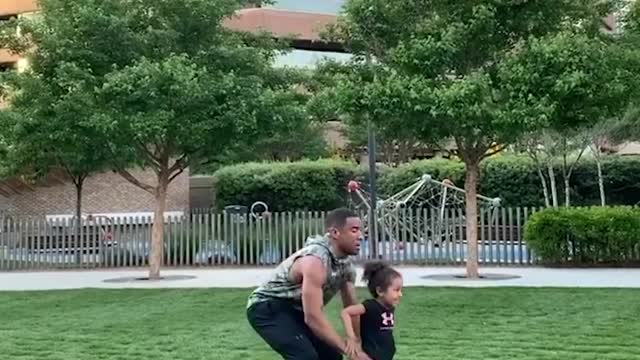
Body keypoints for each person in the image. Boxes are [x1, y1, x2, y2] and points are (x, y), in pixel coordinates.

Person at [246, 207, 371, 360]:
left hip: (296, 311)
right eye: (354, 230)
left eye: (361, 231)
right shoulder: (315, 261)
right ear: (335, 233)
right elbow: (313, 317)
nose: (361, 236)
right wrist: (350, 352)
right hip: (267, 307)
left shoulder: (346, 266)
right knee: (305, 356)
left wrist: (357, 343)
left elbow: (351, 308)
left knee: (331, 357)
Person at [340, 261, 403, 360]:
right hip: (370, 355)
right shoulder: (370, 306)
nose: (400, 294)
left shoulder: (390, 307)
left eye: (400, 290)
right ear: (380, 291)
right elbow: (346, 312)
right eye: (396, 290)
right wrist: (351, 337)